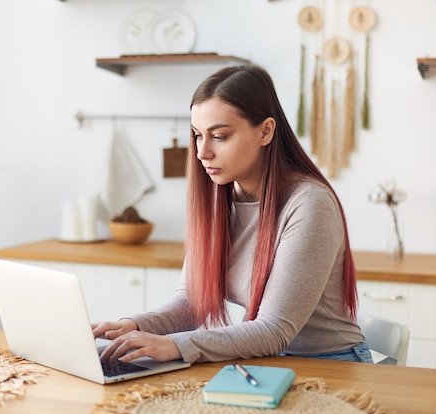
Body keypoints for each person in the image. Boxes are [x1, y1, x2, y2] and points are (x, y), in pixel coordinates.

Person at [91, 65, 372, 364]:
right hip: (267, 361)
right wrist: (133, 326)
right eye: (198, 135)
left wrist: (173, 346)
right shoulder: (218, 198)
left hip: (332, 363)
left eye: (220, 136)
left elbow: (274, 330)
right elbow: (192, 302)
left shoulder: (309, 203)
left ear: (265, 131)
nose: (202, 152)